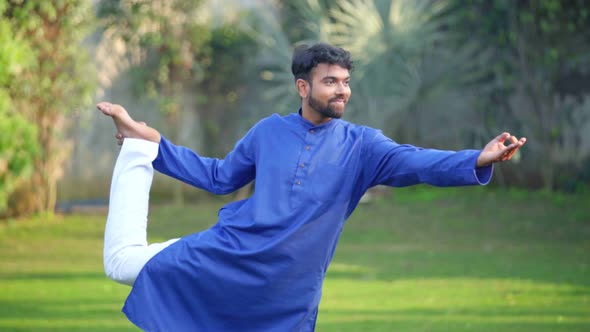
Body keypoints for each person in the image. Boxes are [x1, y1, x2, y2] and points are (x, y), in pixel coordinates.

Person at [98, 43, 526, 331]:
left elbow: (416, 162)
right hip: (227, 257)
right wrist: (153, 144)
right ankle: (137, 147)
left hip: (286, 295)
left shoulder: (363, 145)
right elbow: (218, 177)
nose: (342, 91)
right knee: (120, 263)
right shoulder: (268, 132)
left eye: (345, 82)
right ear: (303, 87)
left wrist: (474, 159)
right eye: (330, 82)